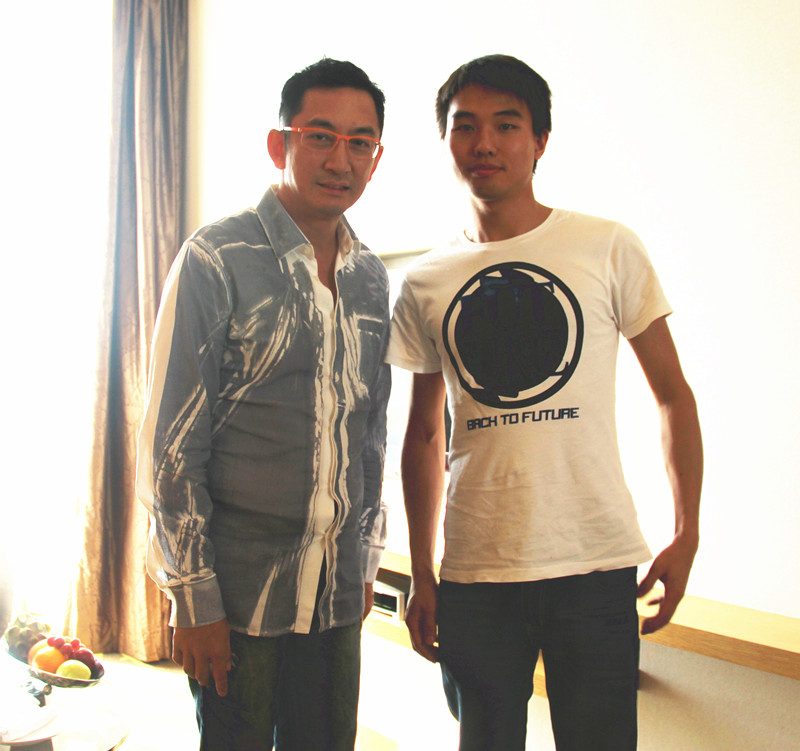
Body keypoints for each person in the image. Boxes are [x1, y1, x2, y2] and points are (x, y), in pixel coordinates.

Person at [386, 54, 703, 751]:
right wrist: (422, 569)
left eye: (507, 125)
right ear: (446, 142)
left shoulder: (606, 246)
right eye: (465, 126)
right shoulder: (426, 281)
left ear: (540, 141)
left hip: (594, 563)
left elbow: (673, 397)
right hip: (476, 569)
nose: (485, 143)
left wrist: (687, 532)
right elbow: (423, 436)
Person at [136, 58, 391, 751]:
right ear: (281, 144)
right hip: (238, 594)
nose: (340, 159)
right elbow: (171, 444)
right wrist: (194, 597)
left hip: (335, 595)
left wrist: (365, 562)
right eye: (321, 136)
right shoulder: (217, 258)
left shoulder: (370, 278)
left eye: (360, 142)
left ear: (376, 158)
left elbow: (370, 435)